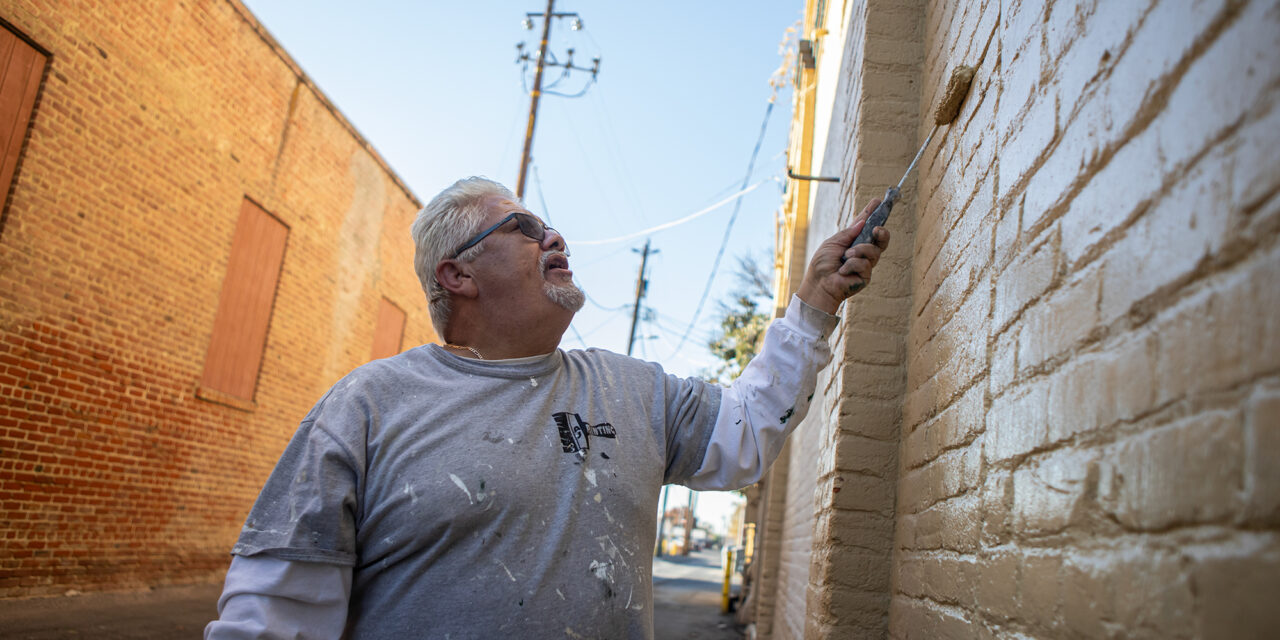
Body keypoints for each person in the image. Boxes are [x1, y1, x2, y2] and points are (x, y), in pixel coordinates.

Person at [205, 176, 890, 639]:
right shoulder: (368, 407)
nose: (555, 238)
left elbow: (745, 434)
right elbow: (273, 618)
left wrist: (815, 306)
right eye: (524, 228)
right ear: (458, 274)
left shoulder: (636, 392)